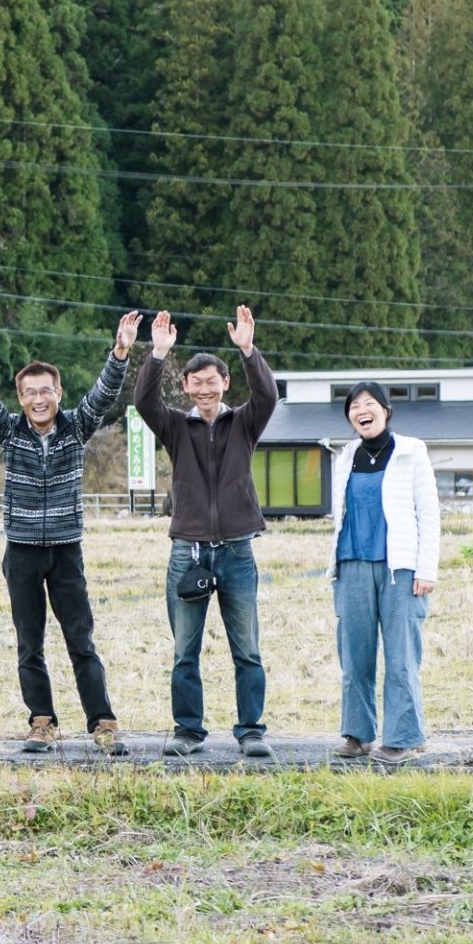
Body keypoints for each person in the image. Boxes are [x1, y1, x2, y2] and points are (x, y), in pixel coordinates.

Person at [0, 313, 142, 756]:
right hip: (23, 551)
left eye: (45, 391)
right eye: (29, 393)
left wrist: (121, 351)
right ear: (21, 398)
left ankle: (102, 723)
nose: (38, 399)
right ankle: (41, 722)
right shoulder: (10, 432)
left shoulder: (76, 426)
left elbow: (104, 394)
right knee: (29, 642)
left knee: (80, 640)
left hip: (67, 550)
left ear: (58, 393)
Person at [133, 306, 278, 758]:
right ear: (187, 387)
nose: (204, 389)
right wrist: (157, 355)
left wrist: (248, 350)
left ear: (225, 383)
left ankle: (251, 730)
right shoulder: (176, 426)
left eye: (211, 381)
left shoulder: (244, 422)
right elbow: (143, 403)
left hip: (237, 550)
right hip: (188, 551)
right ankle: (188, 731)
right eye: (196, 383)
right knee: (185, 650)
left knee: (247, 649)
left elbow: (269, 395)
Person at [327, 382, 440, 765]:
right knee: (354, 656)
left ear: (386, 411)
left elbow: (429, 515)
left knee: (401, 657)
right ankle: (357, 735)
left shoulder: (411, 452)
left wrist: (427, 569)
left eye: (369, 403)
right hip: (352, 564)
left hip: (401, 571)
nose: (362, 410)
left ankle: (401, 738)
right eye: (355, 405)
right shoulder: (345, 457)